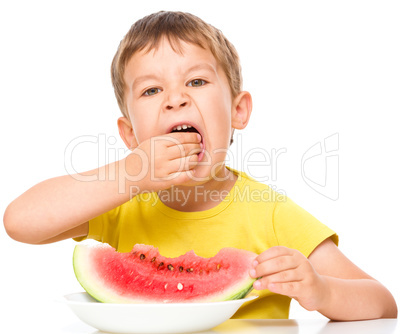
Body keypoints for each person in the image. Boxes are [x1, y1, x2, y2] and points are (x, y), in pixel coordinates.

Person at [3, 11, 397, 320]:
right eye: (152, 90)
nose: (175, 100)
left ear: (238, 111)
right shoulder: (119, 202)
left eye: (196, 82)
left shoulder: (270, 212)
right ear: (130, 135)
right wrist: (128, 173)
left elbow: (381, 303)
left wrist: (322, 291)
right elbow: (20, 222)